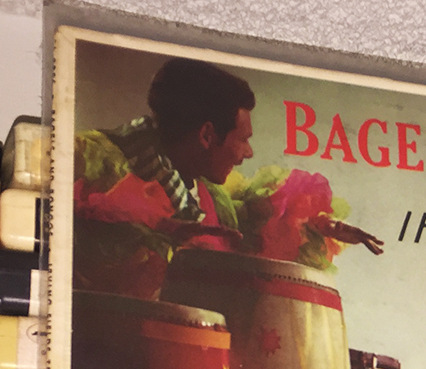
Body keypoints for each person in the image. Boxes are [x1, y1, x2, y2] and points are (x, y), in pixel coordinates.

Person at [73, 57, 381, 297]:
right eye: (243, 139)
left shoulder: (213, 198)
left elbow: (262, 220)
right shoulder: (92, 160)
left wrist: (318, 223)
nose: (248, 152)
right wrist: (159, 235)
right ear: (207, 135)